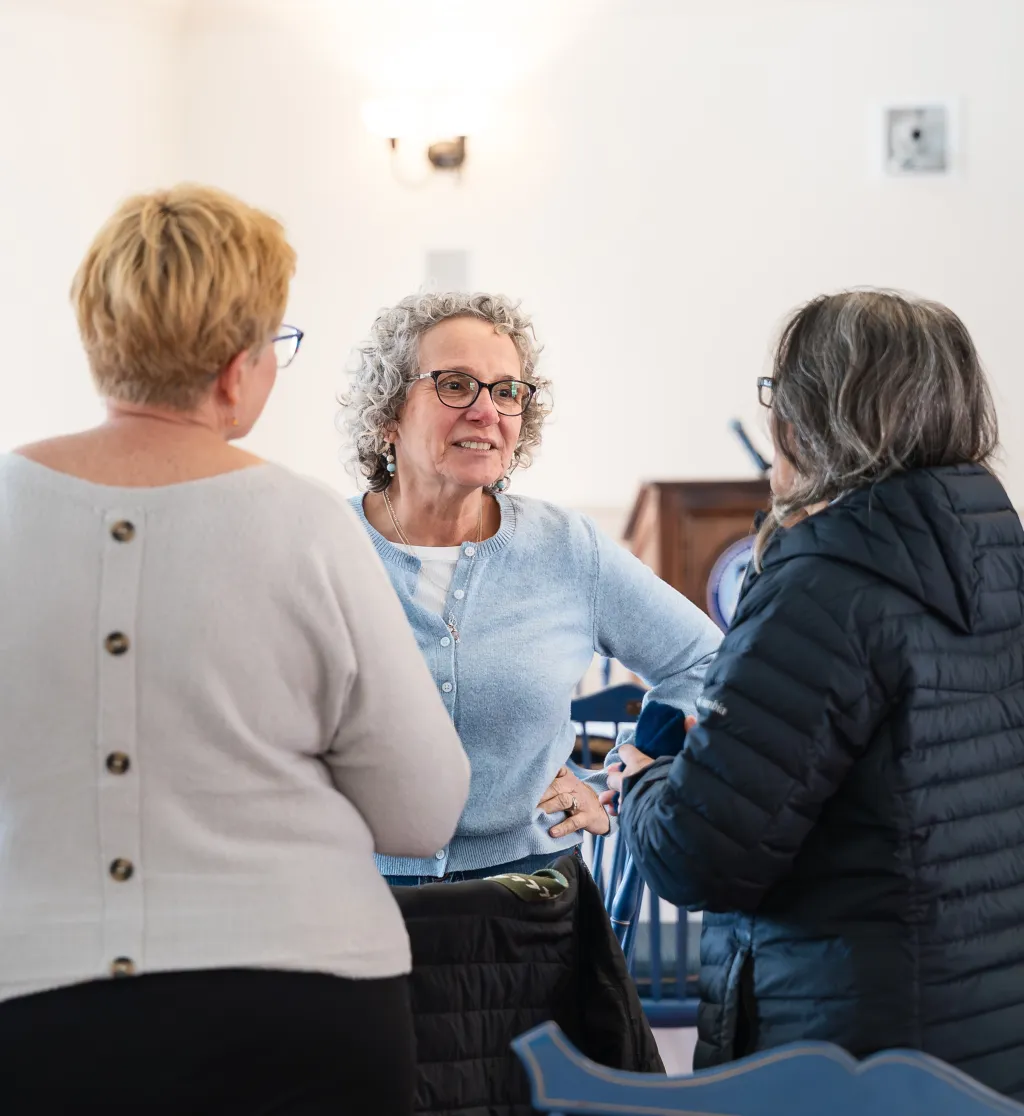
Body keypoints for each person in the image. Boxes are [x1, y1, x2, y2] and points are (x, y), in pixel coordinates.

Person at [0, 185, 470, 1116]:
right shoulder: (302, 523)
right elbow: (421, 810)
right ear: (234, 365)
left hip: (35, 995)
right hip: (301, 996)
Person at [608, 290, 1024, 1100]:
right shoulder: (1002, 560)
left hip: (844, 1051)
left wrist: (646, 778)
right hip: (987, 1034)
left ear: (817, 417)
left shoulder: (824, 584)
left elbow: (698, 856)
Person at [341, 291, 723, 884]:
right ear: (387, 415)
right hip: (349, 900)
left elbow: (708, 663)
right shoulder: (318, 547)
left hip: (525, 900)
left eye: (506, 391)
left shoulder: (566, 547)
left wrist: (623, 772)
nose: (486, 411)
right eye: (455, 385)